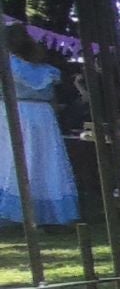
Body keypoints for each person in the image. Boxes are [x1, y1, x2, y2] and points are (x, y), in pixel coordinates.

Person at [1, 24, 81, 226]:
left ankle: (18, 212)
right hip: (43, 115)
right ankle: (43, 211)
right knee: (43, 159)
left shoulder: (8, 63)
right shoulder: (42, 67)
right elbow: (52, 96)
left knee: (15, 158)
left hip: (15, 111)